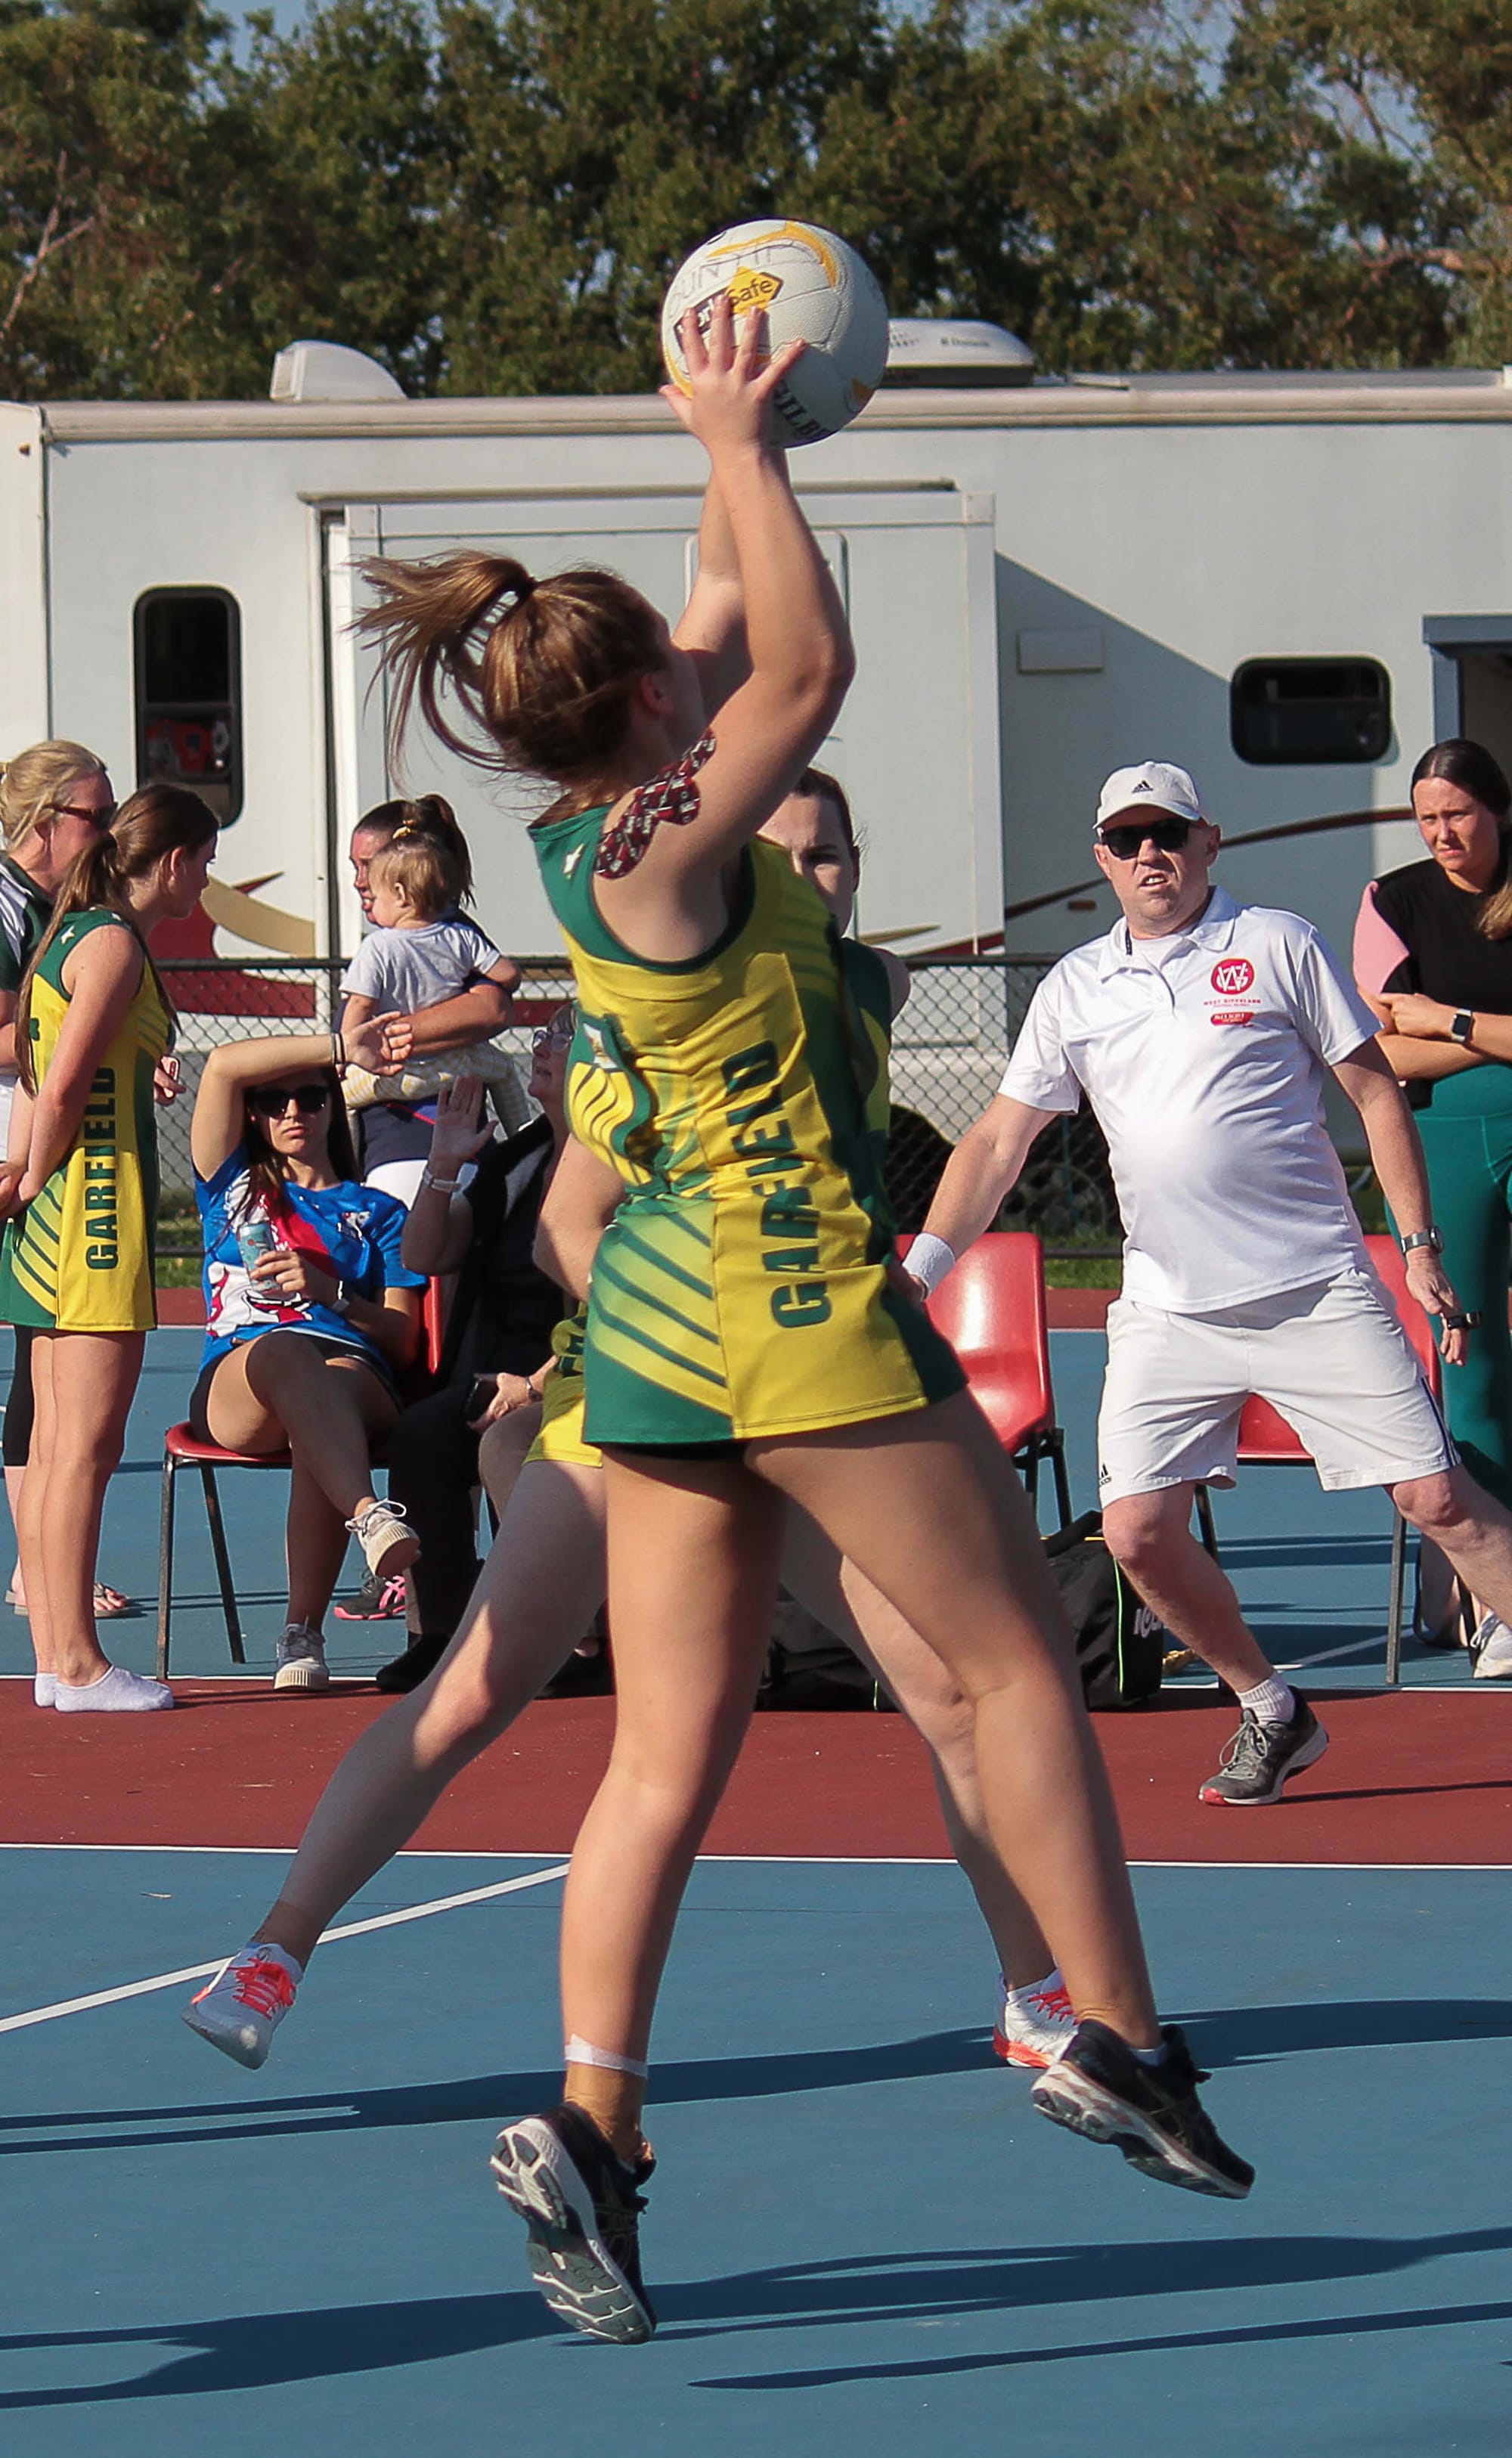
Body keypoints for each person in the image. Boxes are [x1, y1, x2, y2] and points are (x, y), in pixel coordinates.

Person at [320, 299, 1250, 2339]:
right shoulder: (665, 845)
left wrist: (730, 436)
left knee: (669, 1747)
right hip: (795, 1302)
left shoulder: (606, 819)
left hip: (660, 1348)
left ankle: (592, 2123)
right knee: (1011, 1676)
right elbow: (809, 661)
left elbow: (745, 623)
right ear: (657, 701)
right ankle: (1112, 2028)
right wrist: (742, 435)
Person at [181, 775, 1093, 2139]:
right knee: (485, 1685)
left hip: (801, 1398)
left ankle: (1038, 1991)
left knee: (953, 1697)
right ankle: (276, 1949)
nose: (811, 875)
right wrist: (682, 1321)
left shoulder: (853, 993)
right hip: (659, 1398)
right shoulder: (654, 1021)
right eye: (779, 854)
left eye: (831, 853)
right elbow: (568, 1229)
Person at [914, 758, 1512, 1798]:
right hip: (1166, 1303)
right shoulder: (1076, 986)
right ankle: (1272, 1707)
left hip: (1313, 1287)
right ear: (1103, 857)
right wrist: (922, 1265)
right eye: (1130, 839)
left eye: (1170, 834)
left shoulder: (1277, 942)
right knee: (1139, 1533)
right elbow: (1001, 1139)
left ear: (1208, 841)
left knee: (1438, 1498)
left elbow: (1374, 1098)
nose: (1152, 855)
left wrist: (1417, 1249)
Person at [0, 783, 218, 1710]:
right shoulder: (116, 942)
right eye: (202, 863)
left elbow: (49, 1066)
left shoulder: (74, 932)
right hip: (89, 1215)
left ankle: (56, 1659)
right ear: (171, 861)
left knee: (55, 1447)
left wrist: (22, 1174)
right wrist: (33, 1174)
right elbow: (59, 1087)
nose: (205, 882)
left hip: (55, 1216)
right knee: (83, 1446)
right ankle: (80, 1662)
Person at [187, 1014, 429, 1690]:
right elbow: (224, 1064)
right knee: (286, 1354)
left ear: (332, 1107)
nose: (293, 1111)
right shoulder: (230, 1185)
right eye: (274, 1101)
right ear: (255, 1115)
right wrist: (342, 1048)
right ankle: (368, 1514)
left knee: (319, 1408)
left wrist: (335, 1293)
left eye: (311, 1097)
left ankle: (304, 1635)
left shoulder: (376, 1210)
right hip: (243, 1375)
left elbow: (405, 1338)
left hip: (352, 1370)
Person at [1355, 739, 1512, 1675]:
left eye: (1455, 813)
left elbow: (1416, 1028)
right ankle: (1492, 1595)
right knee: (1473, 1358)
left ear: (1495, 810)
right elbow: (1380, 1053)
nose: (1441, 833)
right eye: (1426, 819)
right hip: (1442, 1140)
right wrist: (1498, 1041)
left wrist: (1444, 1019)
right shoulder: (1392, 899)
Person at [370, 1014, 569, 1695]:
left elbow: (620, 1307)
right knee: (423, 1434)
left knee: (509, 1445)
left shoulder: (632, 1165)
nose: (540, 1042)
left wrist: (535, 1384)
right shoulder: (519, 1162)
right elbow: (425, 1254)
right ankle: (440, 1636)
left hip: (589, 1376)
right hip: (498, 1375)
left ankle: (567, 1639)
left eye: (563, 1033)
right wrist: (445, 1164)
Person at [0, 742, 139, 1625]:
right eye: (98, 816)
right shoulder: (8, 907)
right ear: (45, 821)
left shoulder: (56, 908)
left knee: (33, 1369)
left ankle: (38, 1570)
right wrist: (82, 1038)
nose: (111, 833)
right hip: (19, 1147)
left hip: (26, 1143)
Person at [342, 797, 519, 1206]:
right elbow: (508, 976)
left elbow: (493, 1008)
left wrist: (373, 1042)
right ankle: (522, 1140)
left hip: (419, 1144)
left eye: (368, 865)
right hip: (410, 1149)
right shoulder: (445, 937)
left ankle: (526, 1148)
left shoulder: (447, 930)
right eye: (355, 867)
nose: (359, 880)